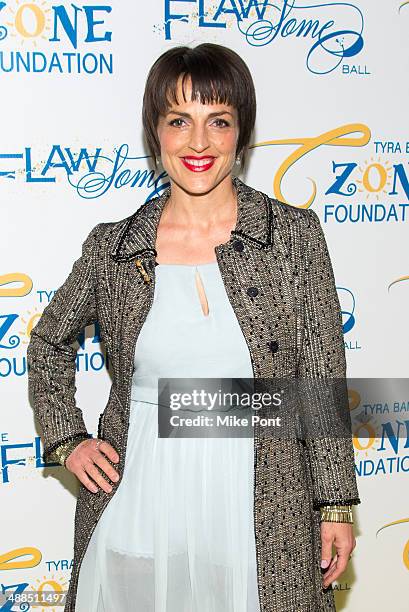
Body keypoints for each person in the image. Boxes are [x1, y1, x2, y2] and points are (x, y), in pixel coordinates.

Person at [27, 43, 360, 612]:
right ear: (155, 133)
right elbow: (48, 342)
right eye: (179, 121)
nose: (199, 143)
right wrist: (68, 439)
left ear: (241, 134)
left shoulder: (293, 237)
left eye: (219, 122)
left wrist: (334, 505)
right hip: (139, 505)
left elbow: (319, 383)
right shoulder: (115, 246)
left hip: (263, 509)